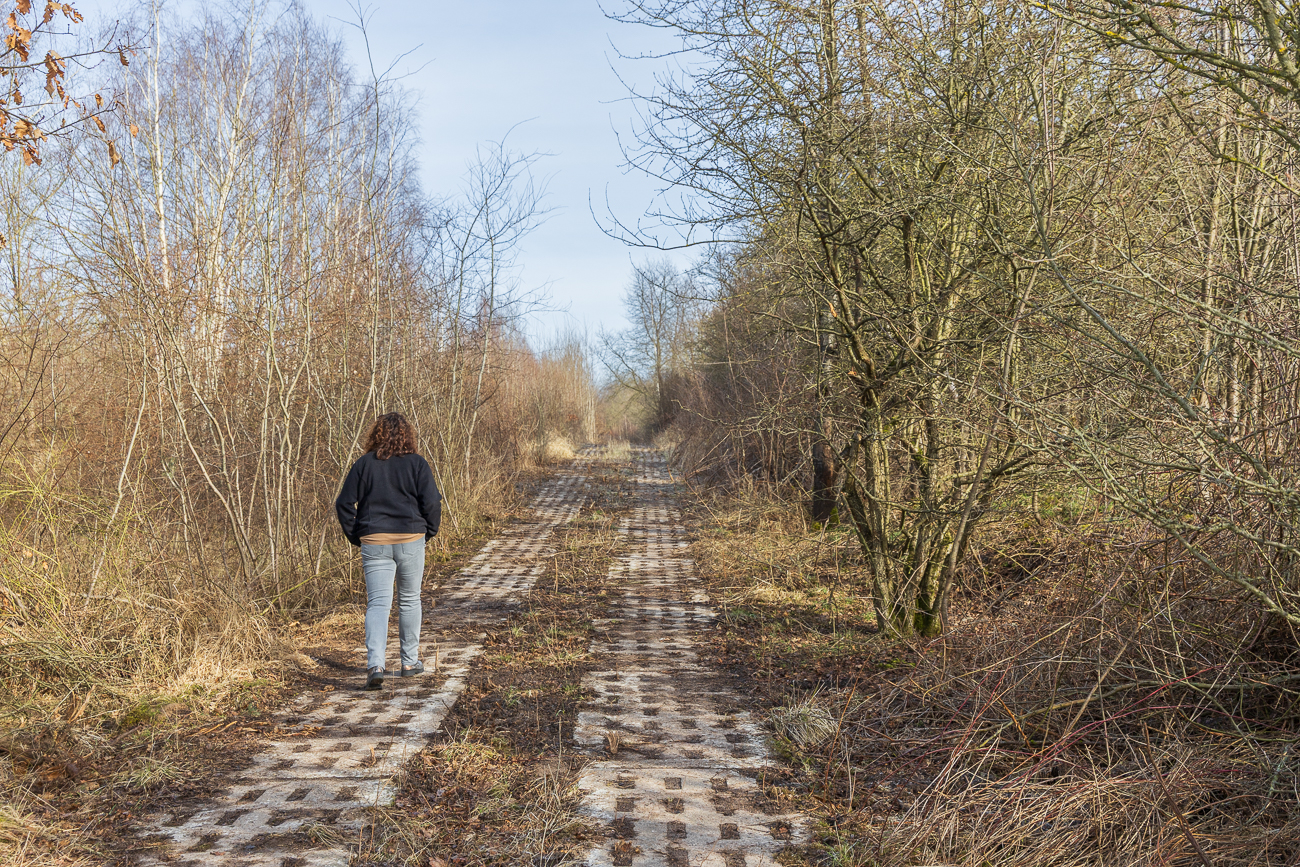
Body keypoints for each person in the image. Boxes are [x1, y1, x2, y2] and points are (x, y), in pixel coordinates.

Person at [335, 412, 442, 690]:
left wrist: (357, 536)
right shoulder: (418, 464)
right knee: (409, 599)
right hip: (411, 539)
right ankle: (409, 663)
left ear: (376, 435)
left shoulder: (364, 465)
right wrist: (429, 531)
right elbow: (432, 502)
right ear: (408, 435)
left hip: (374, 542)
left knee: (378, 604)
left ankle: (376, 665)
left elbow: (344, 504)